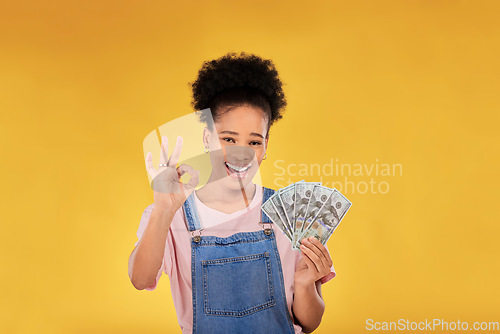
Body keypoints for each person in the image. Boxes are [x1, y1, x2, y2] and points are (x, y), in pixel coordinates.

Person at [128, 51, 336, 334]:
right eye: (228, 139)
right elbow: (140, 279)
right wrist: (164, 210)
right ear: (206, 138)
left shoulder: (291, 214)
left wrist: (304, 282)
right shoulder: (171, 214)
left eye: (254, 142)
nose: (241, 154)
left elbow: (310, 323)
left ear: (266, 146)